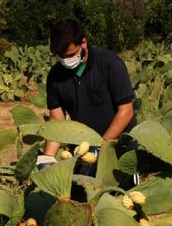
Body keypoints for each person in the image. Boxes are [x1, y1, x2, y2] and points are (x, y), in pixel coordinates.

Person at [38, 19, 136, 177]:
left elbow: (126, 111)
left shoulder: (110, 64)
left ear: (83, 43)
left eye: (70, 55)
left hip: (119, 149)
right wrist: (47, 158)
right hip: (83, 150)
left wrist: (101, 147)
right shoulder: (55, 76)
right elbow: (57, 119)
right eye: (61, 56)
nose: (66, 61)